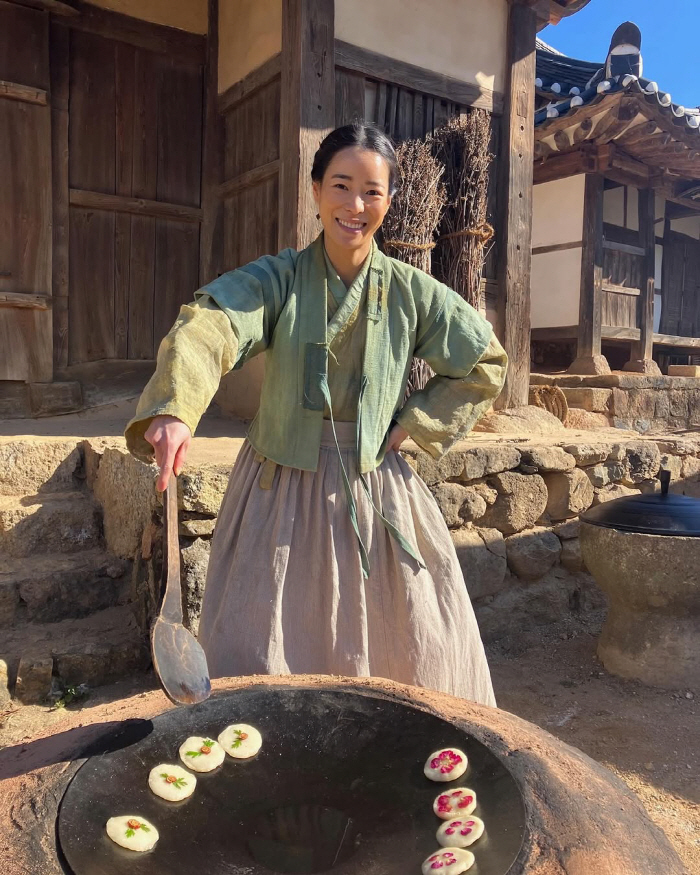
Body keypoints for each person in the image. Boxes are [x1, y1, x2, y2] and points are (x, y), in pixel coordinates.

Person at [125, 122, 507, 707]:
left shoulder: (411, 292)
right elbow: (212, 322)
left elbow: (484, 361)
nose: (355, 206)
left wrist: (412, 425)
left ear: (390, 200)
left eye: (372, 191)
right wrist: (178, 407)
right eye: (341, 185)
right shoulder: (278, 280)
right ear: (315, 190)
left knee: (401, 649)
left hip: (375, 489)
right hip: (278, 487)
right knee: (263, 645)